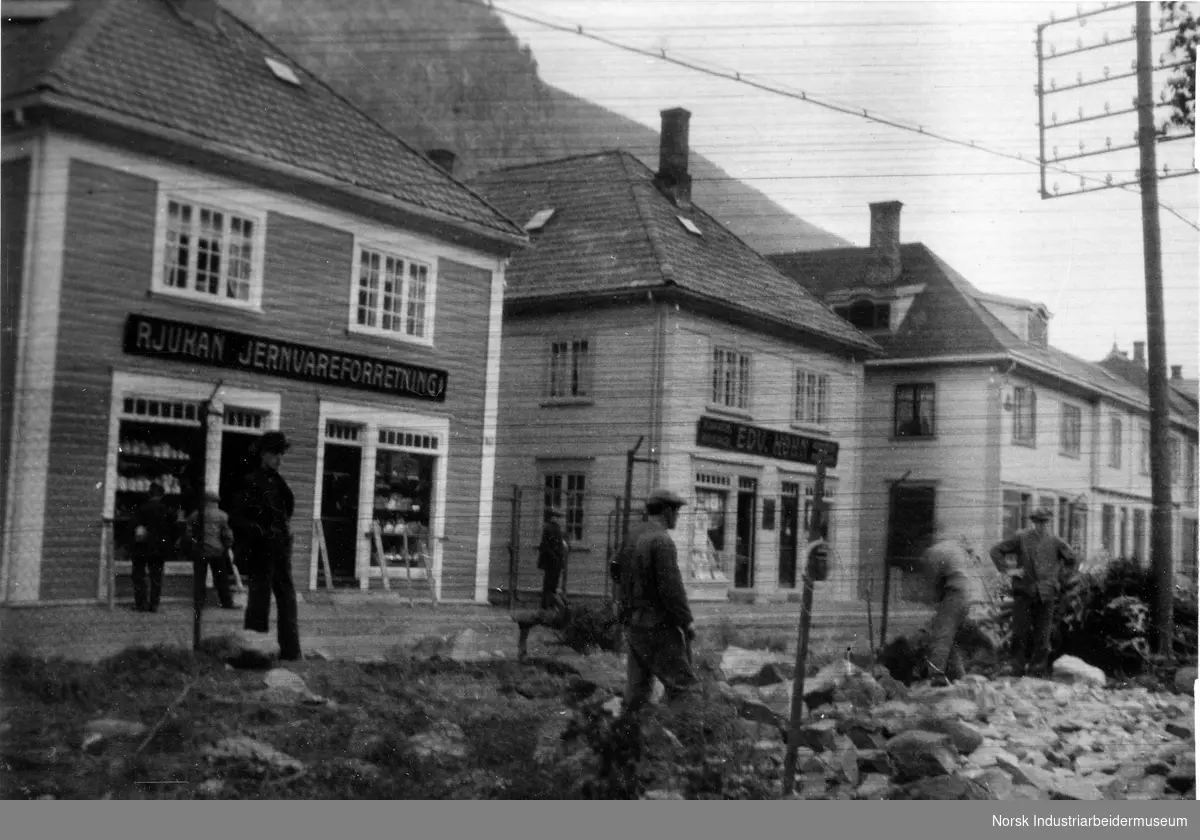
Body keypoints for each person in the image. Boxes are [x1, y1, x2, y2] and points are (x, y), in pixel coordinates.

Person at [613, 488, 698, 716]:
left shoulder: (633, 535)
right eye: (676, 511)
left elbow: (615, 570)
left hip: (633, 624)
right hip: (657, 627)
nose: (678, 516)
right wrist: (687, 620)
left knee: (637, 692)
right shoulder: (661, 541)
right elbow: (672, 589)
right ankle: (680, 741)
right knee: (683, 688)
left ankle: (624, 741)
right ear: (667, 511)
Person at [229, 431, 301, 661]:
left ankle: (290, 652)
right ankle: (255, 651)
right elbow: (238, 519)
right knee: (259, 601)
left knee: (288, 600)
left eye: (281, 454)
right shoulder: (250, 482)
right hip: (261, 551)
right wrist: (263, 532)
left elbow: (287, 509)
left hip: (280, 550)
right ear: (264, 455)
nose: (280, 459)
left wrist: (284, 532)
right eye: (276, 454)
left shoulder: (279, 483)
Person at [989, 506, 1077, 678]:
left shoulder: (1056, 542)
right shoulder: (1021, 538)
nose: (1041, 525)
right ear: (1033, 522)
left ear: (1049, 522)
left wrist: (1058, 578)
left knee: (1042, 635)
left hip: (1047, 593)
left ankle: (1037, 669)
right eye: (1038, 522)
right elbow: (996, 551)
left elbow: (1072, 560)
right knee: (1019, 632)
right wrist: (1008, 570)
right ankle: (1017, 667)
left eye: (1044, 522)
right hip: (1024, 591)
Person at [908, 527, 974, 686]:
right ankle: (959, 676)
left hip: (953, 594)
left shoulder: (933, 552)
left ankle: (936, 676)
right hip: (965, 595)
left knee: (941, 637)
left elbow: (931, 580)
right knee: (949, 639)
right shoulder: (954, 547)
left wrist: (929, 599)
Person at [185, 490, 236, 610]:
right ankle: (226, 602)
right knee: (221, 578)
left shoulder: (196, 515)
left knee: (200, 578)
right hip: (217, 551)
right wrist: (227, 545)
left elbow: (188, 533)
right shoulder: (222, 515)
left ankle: (199, 602)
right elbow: (227, 534)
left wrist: (194, 543)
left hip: (200, 549)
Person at [131, 482, 176, 612]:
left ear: (149, 494)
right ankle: (154, 604)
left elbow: (133, 528)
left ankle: (141, 603)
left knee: (139, 575)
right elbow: (174, 530)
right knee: (156, 576)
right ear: (162, 495)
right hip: (160, 548)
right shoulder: (168, 511)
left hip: (142, 547)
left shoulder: (142, 509)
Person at [537, 507, 569, 610]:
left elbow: (559, 545)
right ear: (551, 517)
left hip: (556, 561)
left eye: (557, 517)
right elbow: (545, 546)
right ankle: (546, 606)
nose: (556, 519)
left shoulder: (557, 528)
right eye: (554, 517)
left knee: (553, 585)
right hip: (551, 561)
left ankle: (550, 605)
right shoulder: (548, 528)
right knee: (549, 585)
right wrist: (554, 556)